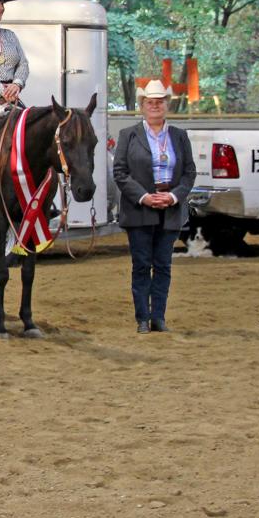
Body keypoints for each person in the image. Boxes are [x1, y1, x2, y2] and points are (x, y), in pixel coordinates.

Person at [112, 79, 196, 334]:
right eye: (151, 102)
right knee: (141, 264)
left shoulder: (180, 136)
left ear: (167, 105)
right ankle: (143, 319)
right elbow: (120, 172)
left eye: (160, 101)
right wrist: (144, 197)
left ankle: (159, 316)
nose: (155, 106)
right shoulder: (129, 135)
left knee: (163, 265)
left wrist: (173, 197)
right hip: (140, 209)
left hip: (169, 209)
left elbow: (189, 172)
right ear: (143, 105)